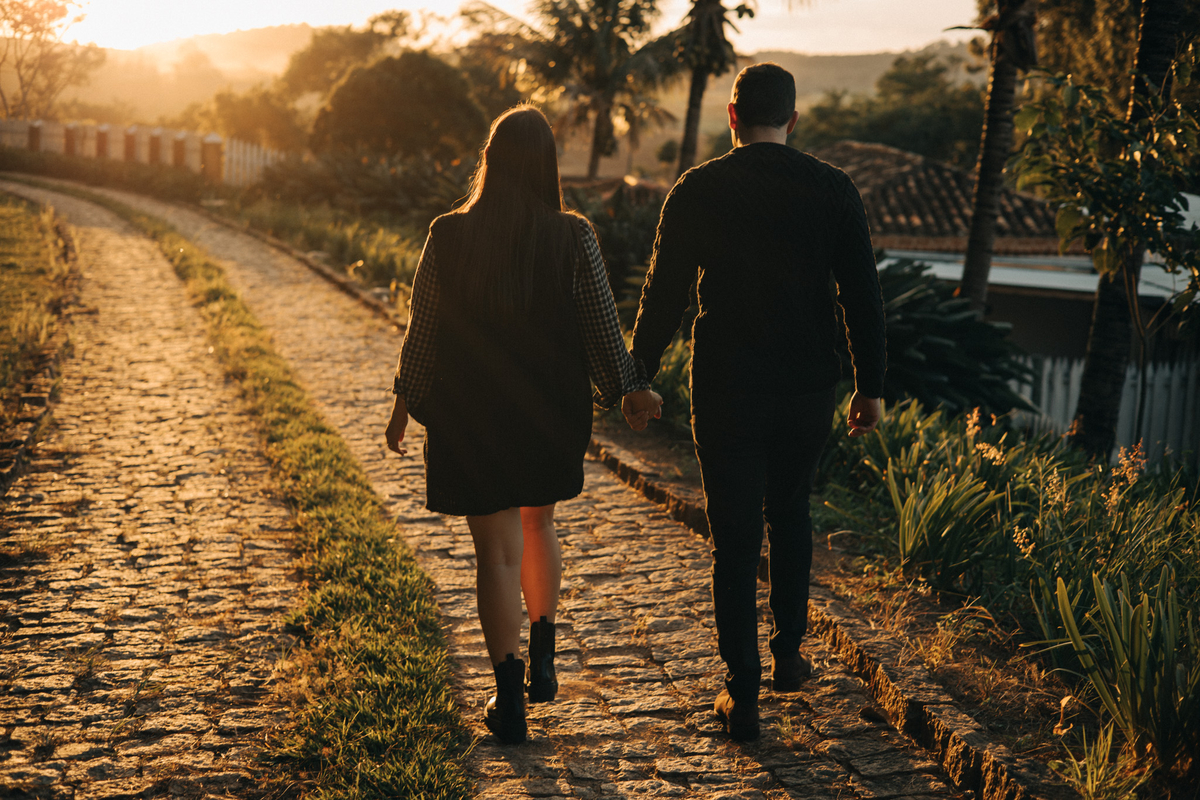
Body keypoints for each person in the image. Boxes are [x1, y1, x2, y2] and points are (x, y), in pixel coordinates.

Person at [624, 63, 886, 741]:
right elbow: (862, 295)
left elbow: (664, 292)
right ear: (793, 121)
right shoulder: (833, 189)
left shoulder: (699, 189)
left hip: (726, 389)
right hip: (806, 389)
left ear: (733, 116)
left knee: (735, 541)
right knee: (791, 511)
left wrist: (637, 375)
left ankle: (741, 696)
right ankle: (791, 654)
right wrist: (871, 385)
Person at [385, 106, 661, 745]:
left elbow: (423, 327)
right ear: (547, 165)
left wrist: (405, 401)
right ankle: (543, 650)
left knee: (495, 553)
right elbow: (600, 330)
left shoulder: (448, 234)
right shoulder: (573, 236)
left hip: (469, 414)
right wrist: (631, 389)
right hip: (547, 412)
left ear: (489, 159)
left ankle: (509, 701)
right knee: (539, 523)